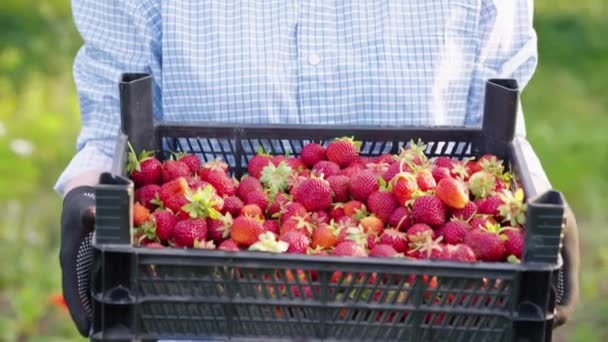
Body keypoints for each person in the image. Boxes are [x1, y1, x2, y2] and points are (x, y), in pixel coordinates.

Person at [57, 0, 579, 338]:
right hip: (202, 299)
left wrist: (538, 208)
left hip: (424, 310)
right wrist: (90, 194)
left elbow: (495, 129)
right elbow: (114, 113)